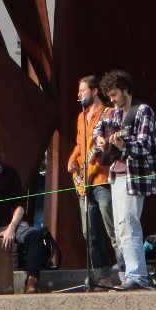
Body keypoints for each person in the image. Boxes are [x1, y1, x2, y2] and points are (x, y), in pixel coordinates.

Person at [93, 70, 156, 291]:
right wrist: (100, 140)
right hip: (116, 176)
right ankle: (127, 274)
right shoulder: (112, 114)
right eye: (109, 96)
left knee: (129, 225)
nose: (111, 99)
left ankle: (137, 276)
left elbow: (146, 146)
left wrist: (123, 145)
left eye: (114, 94)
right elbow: (97, 129)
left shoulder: (142, 111)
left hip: (135, 176)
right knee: (120, 230)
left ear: (125, 89)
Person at [0, 128, 52, 294]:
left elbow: (20, 205)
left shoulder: (9, 173)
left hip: (6, 224)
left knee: (35, 235)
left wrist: (12, 227)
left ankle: (31, 280)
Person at [66, 75, 118, 280]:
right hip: (83, 182)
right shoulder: (81, 117)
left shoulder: (109, 113)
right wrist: (72, 160)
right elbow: (80, 145)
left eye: (82, 90)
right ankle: (101, 273)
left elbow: (110, 147)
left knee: (112, 229)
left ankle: (124, 270)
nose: (78, 95)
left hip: (102, 180)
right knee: (89, 233)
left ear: (95, 91)